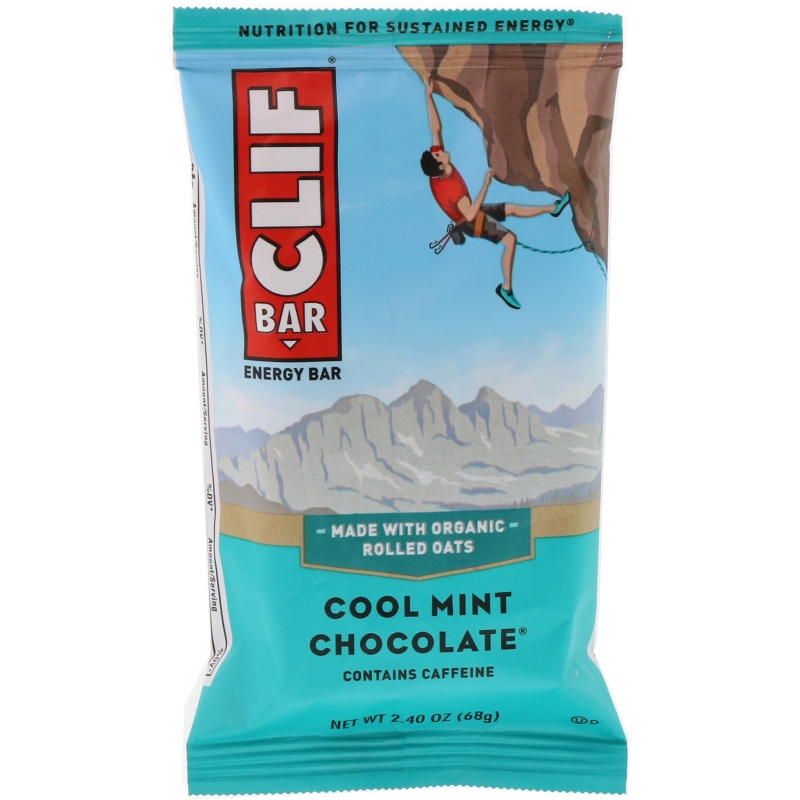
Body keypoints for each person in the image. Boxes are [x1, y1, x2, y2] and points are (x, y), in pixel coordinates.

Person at [420, 73, 570, 310]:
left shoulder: (439, 167)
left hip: (469, 212)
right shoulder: (450, 189)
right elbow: (470, 214)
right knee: (510, 240)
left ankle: (553, 209)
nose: (439, 151)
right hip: (469, 220)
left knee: (511, 209)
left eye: (437, 152)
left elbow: (436, 129)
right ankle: (506, 289)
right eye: (438, 155)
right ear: (439, 166)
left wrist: (429, 96)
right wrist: (486, 185)